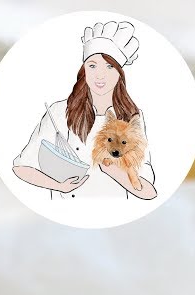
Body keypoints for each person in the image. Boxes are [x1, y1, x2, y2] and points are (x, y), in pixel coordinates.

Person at [13, 21, 157, 200]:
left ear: (120, 74)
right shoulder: (59, 111)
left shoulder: (132, 116)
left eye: (110, 66)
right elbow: (21, 166)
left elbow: (148, 190)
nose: (100, 74)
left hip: (115, 213)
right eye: (92, 65)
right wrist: (59, 187)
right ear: (84, 71)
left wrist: (112, 171)